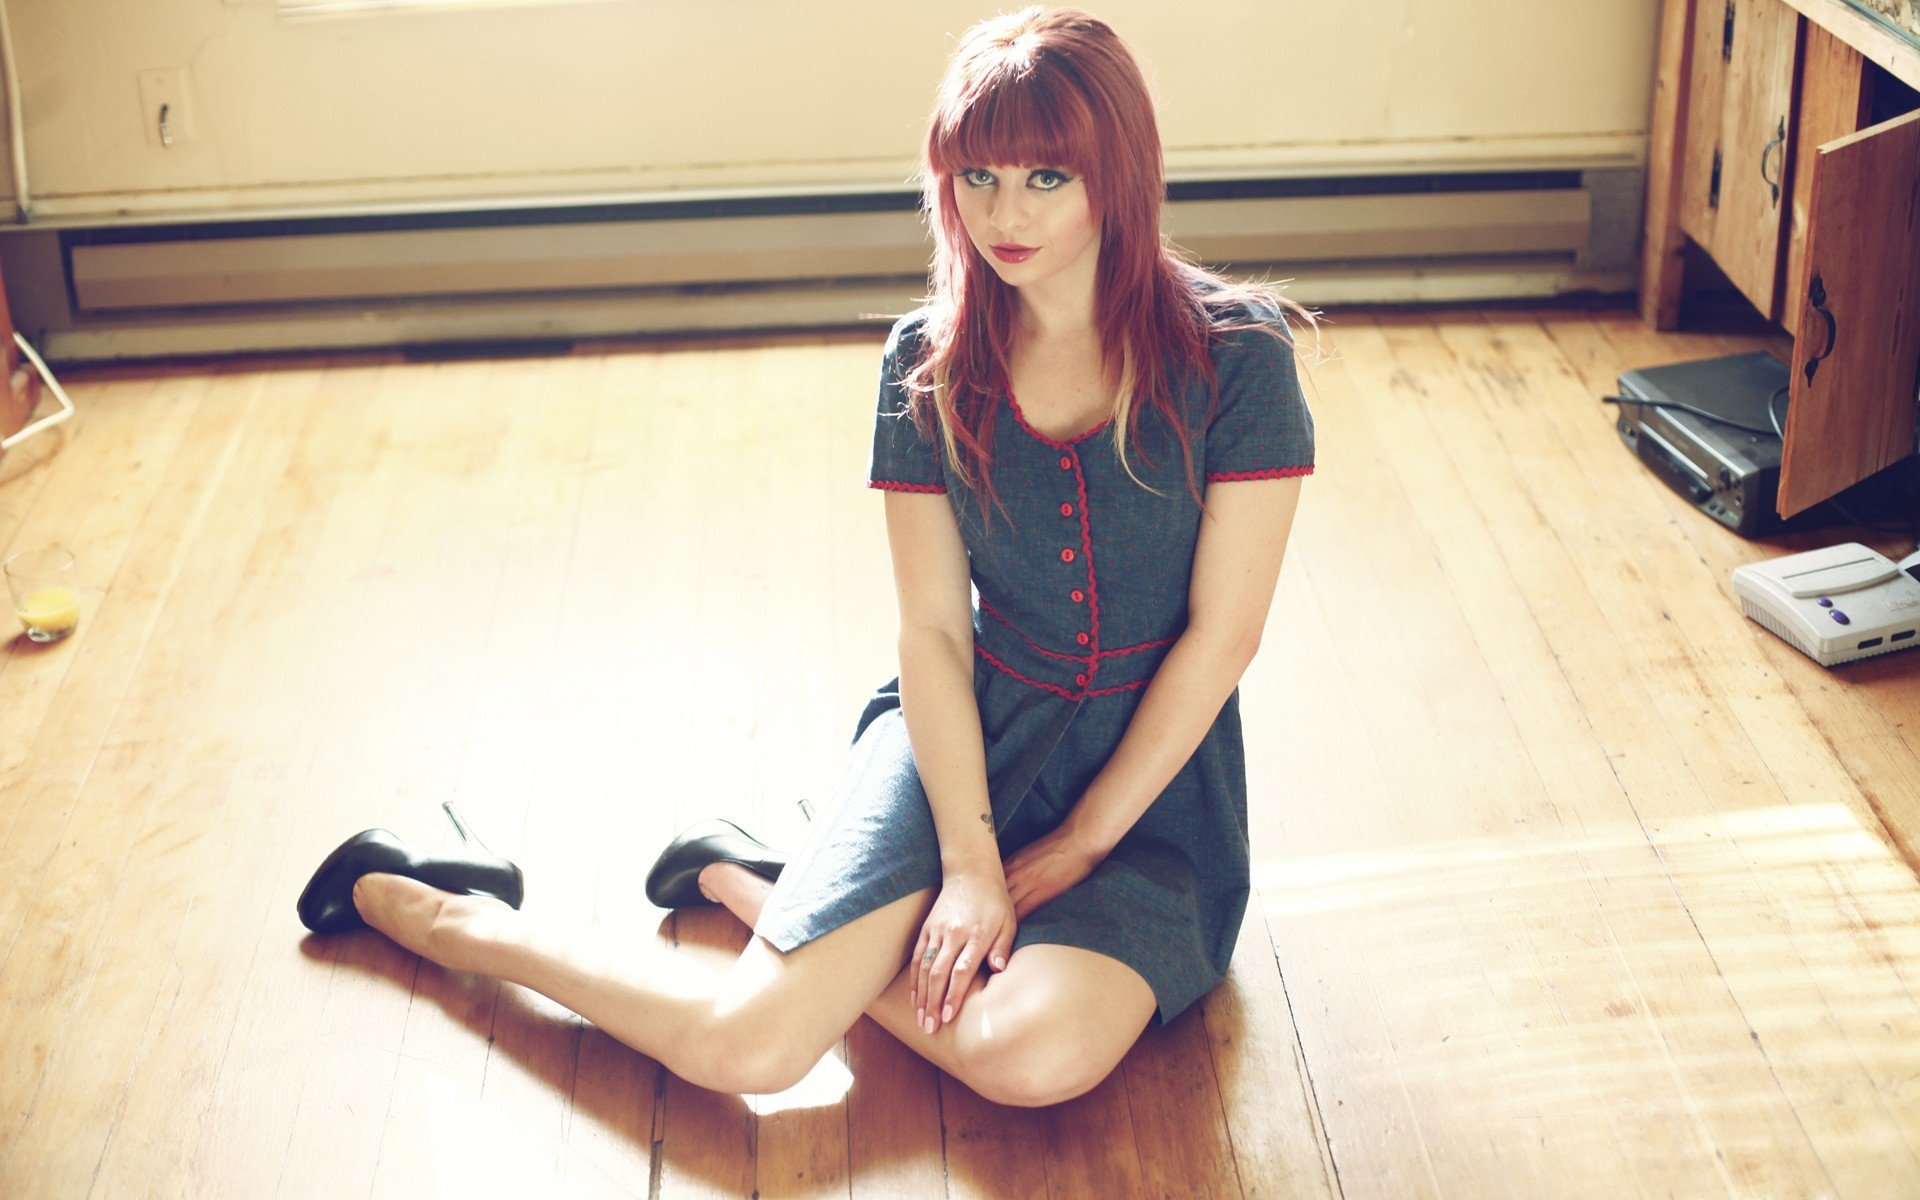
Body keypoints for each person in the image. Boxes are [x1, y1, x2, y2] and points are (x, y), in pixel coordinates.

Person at [296, 4, 1319, 1110]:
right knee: (747, 1054)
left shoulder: (1238, 357)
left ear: (1119, 172)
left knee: (1030, 1060)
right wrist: (969, 866)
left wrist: (1077, 844)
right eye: (977, 177)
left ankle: (758, 876)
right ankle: (439, 907)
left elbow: (1224, 638)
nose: (1004, 214)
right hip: (962, 746)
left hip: (1155, 800)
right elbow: (933, 634)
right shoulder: (930, 362)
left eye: (1045, 178)